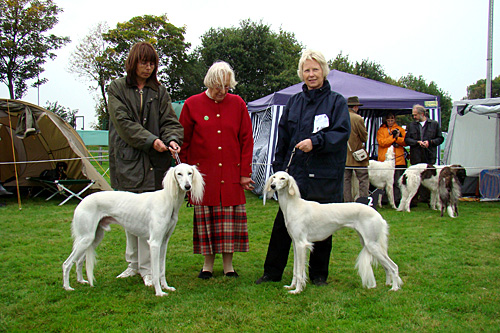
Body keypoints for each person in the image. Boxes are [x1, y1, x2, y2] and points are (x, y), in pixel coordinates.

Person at [255, 50, 350, 286]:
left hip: (324, 176)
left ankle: (318, 275)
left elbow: (340, 134)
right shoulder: (294, 103)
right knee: (282, 226)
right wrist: (278, 169)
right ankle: (272, 272)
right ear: (301, 73)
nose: (311, 74)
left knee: (322, 226)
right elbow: (283, 138)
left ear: (324, 71)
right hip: (295, 175)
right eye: (306, 70)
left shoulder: (336, 102)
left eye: (315, 69)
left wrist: (315, 142)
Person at [107, 42, 184, 286]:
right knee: (130, 214)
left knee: (149, 217)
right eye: (143, 62)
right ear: (133, 62)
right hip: (128, 161)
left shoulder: (159, 91)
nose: (148, 67)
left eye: (152, 63)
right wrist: (152, 141)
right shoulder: (117, 88)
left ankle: (147, 269)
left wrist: (172, 139)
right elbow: (123, 124)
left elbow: (170, 120)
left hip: (155, 163)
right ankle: (133, 265)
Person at [179, 61, 254, 279]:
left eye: (227, 87)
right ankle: (207, 265)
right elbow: (184, 141)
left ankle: (229, 266)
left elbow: (246, 139)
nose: (222, 92)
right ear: (209, 83)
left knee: (229, 220)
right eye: (218, 87)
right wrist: (184, 175)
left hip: (231, 173)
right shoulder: (192, 104)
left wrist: (245, 173)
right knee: (207, 220)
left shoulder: (238, 104)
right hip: (202, 176)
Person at [405, 104, 444, 204]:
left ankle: (427, 199)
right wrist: (417, 142)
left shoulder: (434, 124)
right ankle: (413, 201)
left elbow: (440, 138)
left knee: (429, 179)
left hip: (429, 156)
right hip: (416, 156)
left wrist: (429, 142)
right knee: (414, 180)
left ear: (422, 114)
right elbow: (407, 139)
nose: (414, 117)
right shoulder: (412, 125)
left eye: (415, 115)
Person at [376, 112, 407, 205]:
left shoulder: (400, 129)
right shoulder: (381, 130)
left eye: (392, 120)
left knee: (397, 182)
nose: (390, 122)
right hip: (385, 160)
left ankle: (397, 199)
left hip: (398, 160)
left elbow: (405, 142)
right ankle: (384, 199)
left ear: (395, 120)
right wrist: (392, 137)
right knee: (384, 182)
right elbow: (382, 142)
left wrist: (397, 138)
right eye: (388, 120)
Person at [343, 96, 369, 202]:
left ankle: (347, 203)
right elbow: (364, 137)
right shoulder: (358, 118)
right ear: (356, 106)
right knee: (363, 180)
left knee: (345, 182)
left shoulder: (341, 117)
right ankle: (364, 201)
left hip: (344, 155)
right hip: (358, 155)